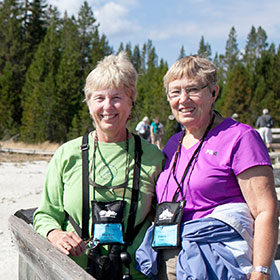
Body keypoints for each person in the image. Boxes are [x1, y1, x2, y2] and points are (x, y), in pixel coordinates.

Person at [136, 55, 279, 280]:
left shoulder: (240, 138)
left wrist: (260, 272)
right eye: (175, 92)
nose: (183, 99)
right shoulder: (174, 143)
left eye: (193, 89)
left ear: (213, 92)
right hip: (171, 259)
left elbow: (265, 211)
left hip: (220, 264)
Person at [33, 52, 164, 280]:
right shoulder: (67, 154)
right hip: (73, 272)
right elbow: (45, 214)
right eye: (99, 98)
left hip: (134, 273)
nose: (107, 106)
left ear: (131, 101)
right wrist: (54, 234)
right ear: (89, 103)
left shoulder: (153, 157)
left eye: (117, 97)